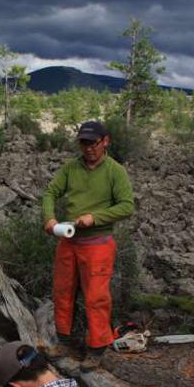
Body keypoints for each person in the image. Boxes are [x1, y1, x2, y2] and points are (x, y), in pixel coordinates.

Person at [41, 120, 135, 368]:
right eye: (83, 143)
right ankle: (64, 341)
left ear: (105, 141)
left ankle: (96, 348)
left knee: (96, 297)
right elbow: (50, 192)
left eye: (93, 143)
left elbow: (127, 206)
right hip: (68, 241)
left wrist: (94, 218)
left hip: (98, 244)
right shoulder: (71, 168)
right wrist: (49, 218)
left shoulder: (115, 171)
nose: (88, 148)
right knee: (62, 291)